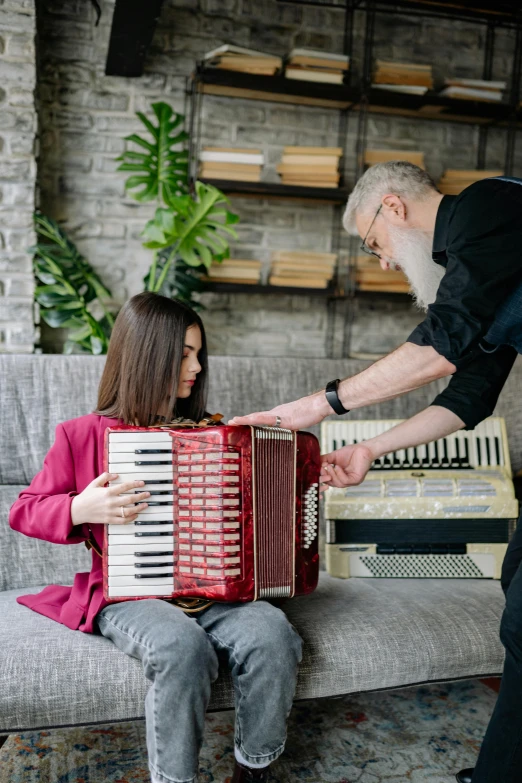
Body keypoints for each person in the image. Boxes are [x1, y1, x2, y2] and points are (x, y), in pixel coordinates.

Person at [230, 162, 522, 783]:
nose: (383, 263)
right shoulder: (492, 266)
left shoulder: (486, 208)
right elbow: (470, 395)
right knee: (517, 575)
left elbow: (442, 345)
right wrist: (370, 450)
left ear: (392, 206)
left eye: (373, 244)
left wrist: (316, 405)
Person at [10, 292, 302, 783]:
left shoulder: (215, 436)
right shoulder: (81, 434)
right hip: (129, 591)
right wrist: (81, 506)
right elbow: (24, 511)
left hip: (212, 589)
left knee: (273, 635)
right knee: (180, 648)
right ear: (148, 355)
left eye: (198, 353)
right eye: (184, 354)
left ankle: (253, 769)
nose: (197, 365)